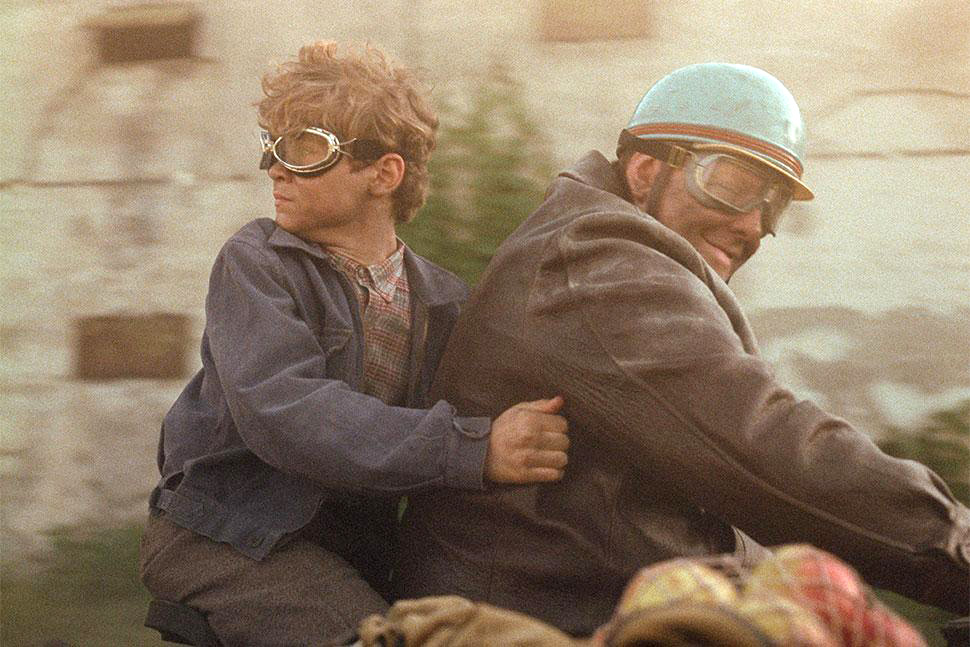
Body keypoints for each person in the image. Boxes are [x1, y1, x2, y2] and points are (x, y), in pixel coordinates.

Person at [394, 62, 970, 636]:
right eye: (733, 185)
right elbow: (758, 446)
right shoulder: (597, 261)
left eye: (774, 204)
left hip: (611, 603)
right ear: (646, 171)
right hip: (552, 618)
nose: (753, 224)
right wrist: (954, 542)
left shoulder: (621, 261)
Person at [138, 41, 569, 646]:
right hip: (225, 534)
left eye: (305, 147)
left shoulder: (443, 302)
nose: (276, 168)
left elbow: (490, 405)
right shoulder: (258, 262)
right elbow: (287, 412)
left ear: (384, 173)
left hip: (348, 552)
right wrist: (473, 448)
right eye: (272, 147)